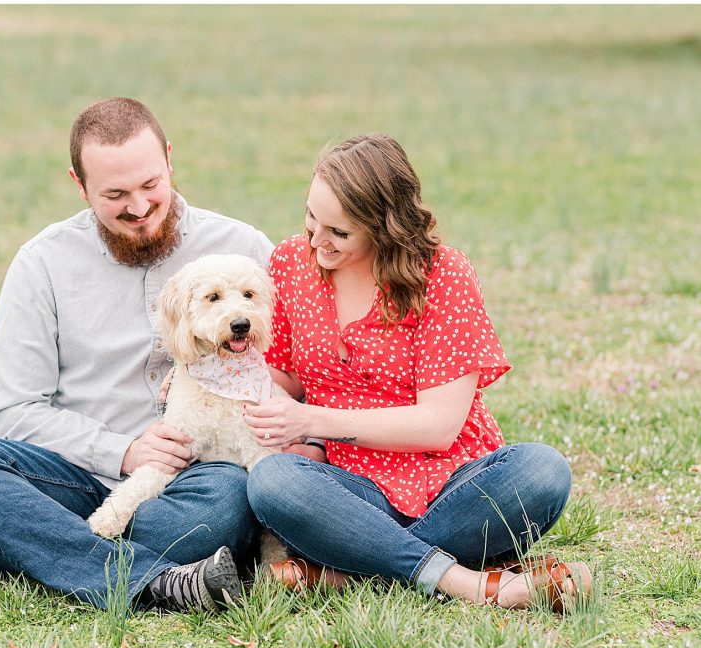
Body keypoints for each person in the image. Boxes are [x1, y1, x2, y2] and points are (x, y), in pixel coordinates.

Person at [0, 97, 277, 613]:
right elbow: (12, 413)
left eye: (151, 186)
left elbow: (288, 368)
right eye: (116, 195)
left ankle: (9, 551)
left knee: (222, 509)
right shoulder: (43, 264)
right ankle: (160, 581)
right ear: (79, 185)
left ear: (169, 159)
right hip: (76, 478)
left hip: (198, 476)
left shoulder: (245, 247)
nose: (140, 208)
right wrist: (123, 453)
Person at [242, 134, 592, 611]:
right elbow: (281, 377)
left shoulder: (444, 275)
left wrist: (313, 421)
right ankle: (468, 583)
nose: (315, 240)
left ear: (384, 227)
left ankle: (351, 567)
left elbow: (438, 427)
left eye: (338, 233)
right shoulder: (289, 264)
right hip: (351, 485)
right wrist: (232, 384)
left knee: (543, 472)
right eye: (310, 217)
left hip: (452, 481)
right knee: (274, 481)